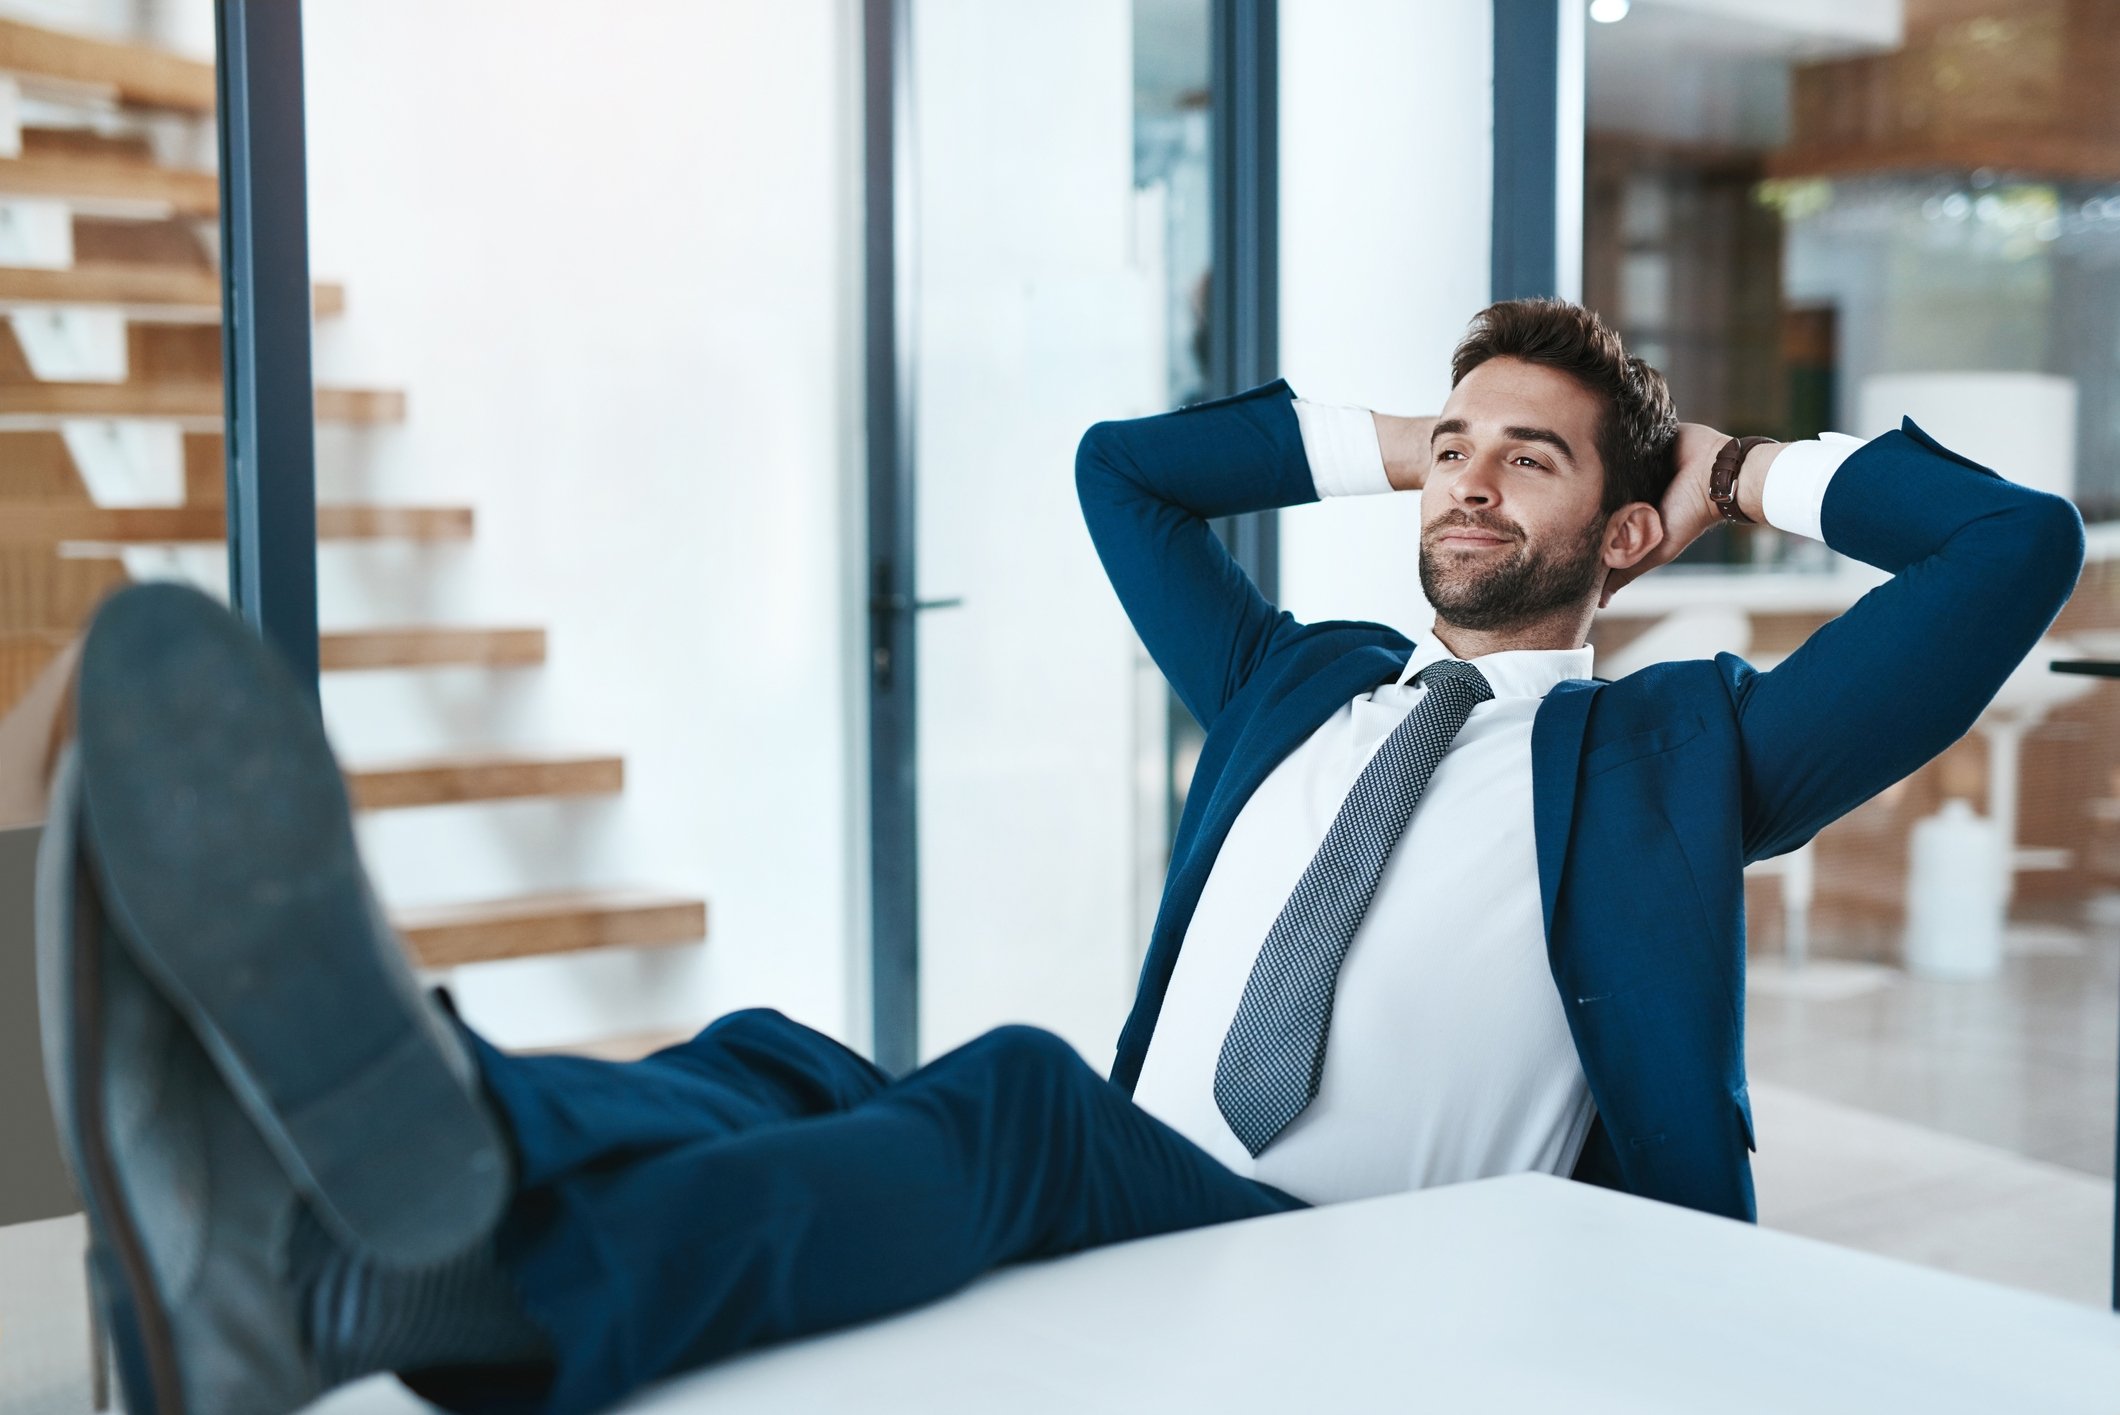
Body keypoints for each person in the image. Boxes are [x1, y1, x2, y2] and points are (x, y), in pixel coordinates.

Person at [36, 300, 2082, 1415]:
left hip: (1350, 1252)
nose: (1465, 479)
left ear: (1625, 539)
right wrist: (1422, 434)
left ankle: (426, 1301)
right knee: (778, 1058)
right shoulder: (1304, 681)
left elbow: (2011, 550)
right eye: (1451, 447)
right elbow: (1126, 475)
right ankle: (370, 1191)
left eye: (1520, 461)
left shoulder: (1677, 753)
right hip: (1160, 1182)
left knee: (1004, 1094)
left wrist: (1719, 465)